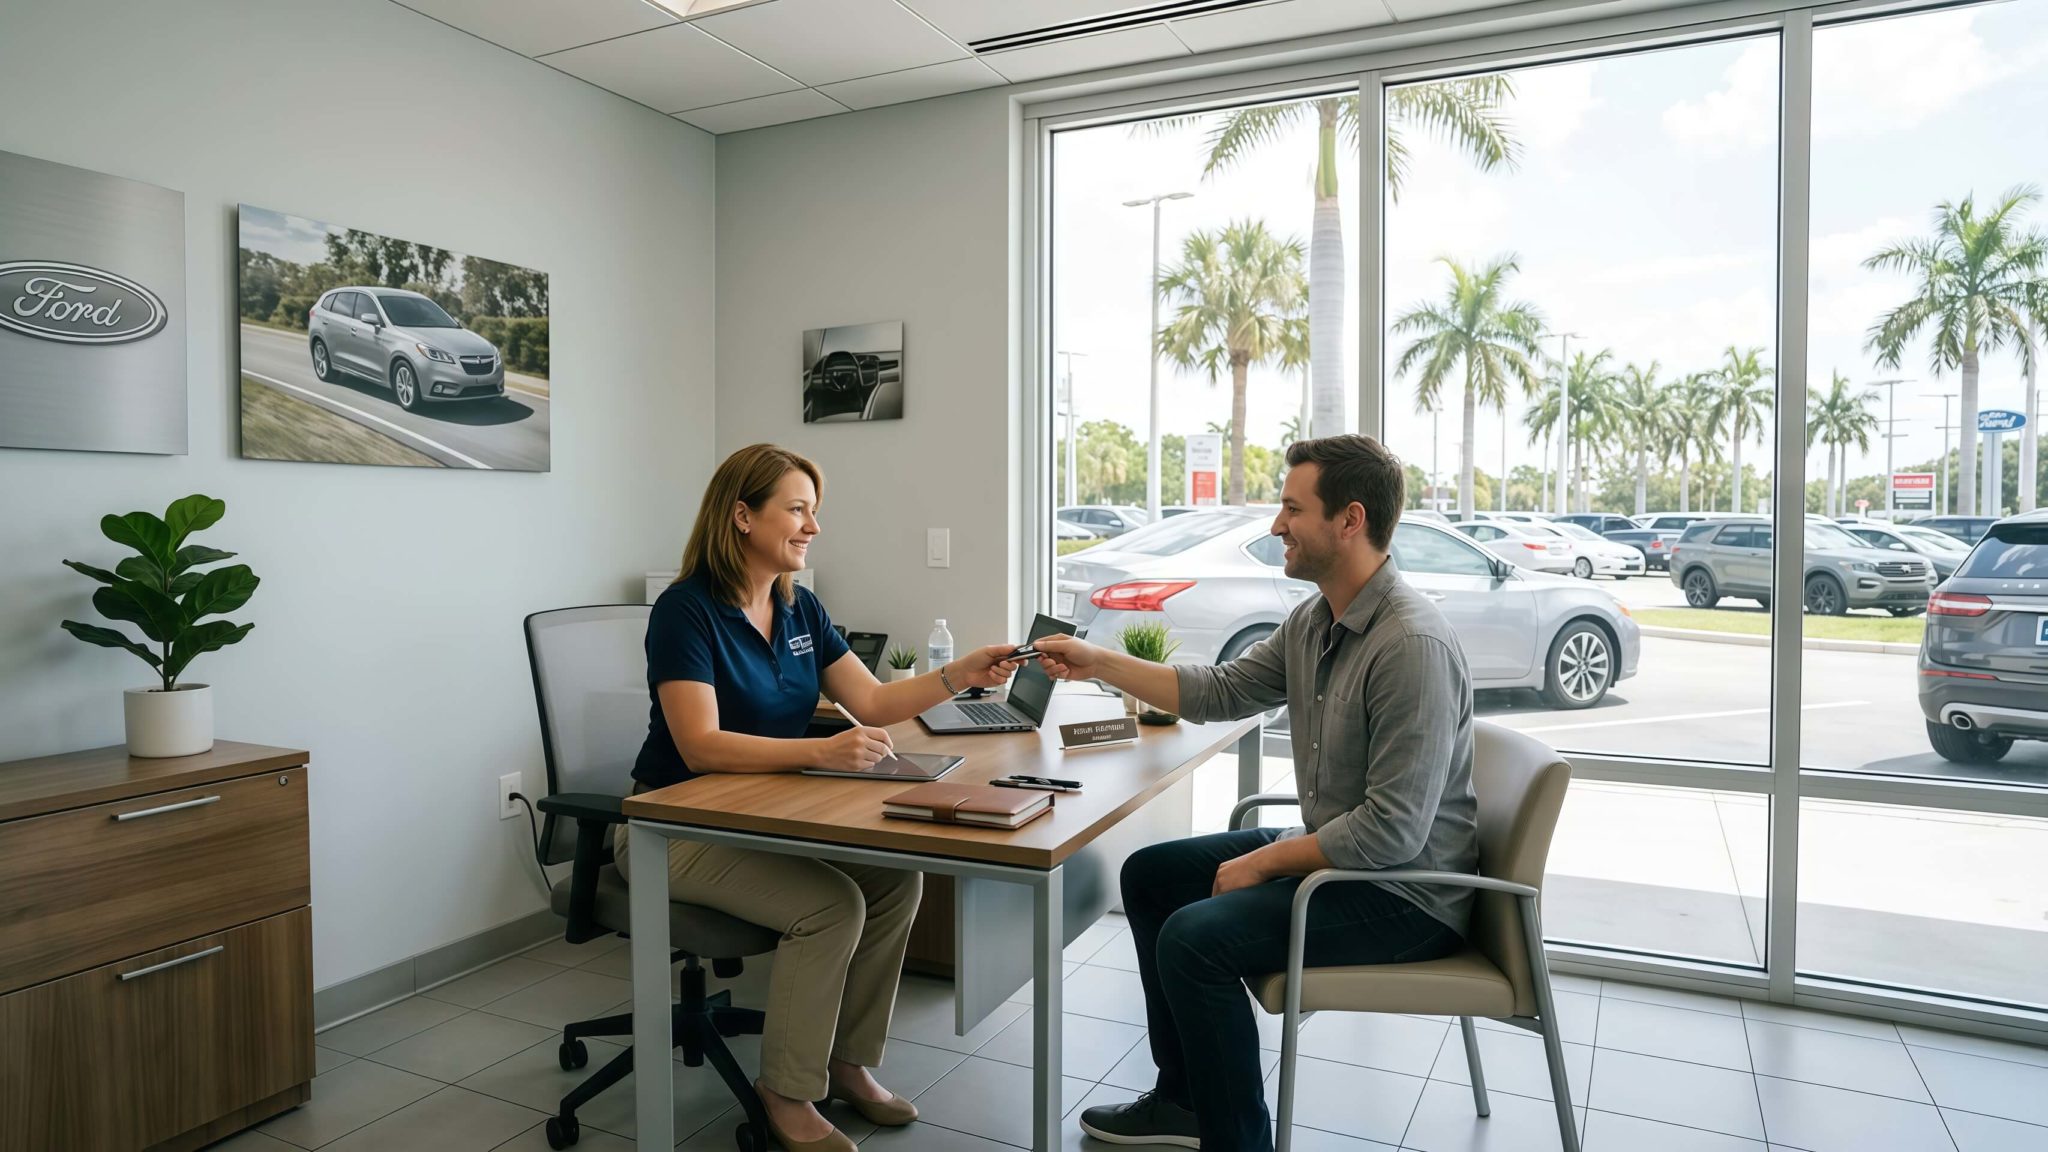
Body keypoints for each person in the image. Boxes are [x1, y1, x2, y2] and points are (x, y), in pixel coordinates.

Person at [1034, 434, 1479, 1152]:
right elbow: (1219, 692)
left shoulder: (1409, 645)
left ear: (1349, 520)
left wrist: (1267, 862)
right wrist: (1096, 663)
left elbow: (1394, 834)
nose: (1276, 525)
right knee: (1151, 877)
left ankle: (1239, 1141)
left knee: (1195, 940)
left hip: (1404, 895)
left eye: (1291, 508)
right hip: (1344, 859)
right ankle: (1183, 1100)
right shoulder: (1316, 619)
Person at [620, 443, 1024, 1152]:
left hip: (756, 819)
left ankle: (846, 1062)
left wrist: (958, 674)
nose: (813, 527)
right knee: (831, 907)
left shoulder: (799, 607)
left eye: (815, 511)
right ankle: (786, 1090)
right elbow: (700, 745)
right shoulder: (685, 612)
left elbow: (871, 698)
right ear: (742, 516)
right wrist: (821, 750)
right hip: (671, 829)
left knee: (897, 877)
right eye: (797, 510)